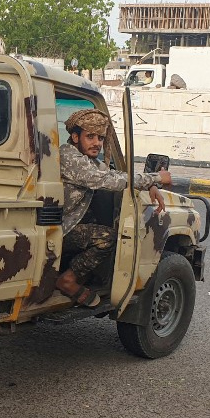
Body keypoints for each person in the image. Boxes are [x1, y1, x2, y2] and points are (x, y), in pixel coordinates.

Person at [57, 109, 171, 306]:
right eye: (90, 136)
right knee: (108, 238)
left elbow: (114, 173)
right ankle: (68, 280)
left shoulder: (86, 159)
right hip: (59, 229)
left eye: (100, 138)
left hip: (65, 223)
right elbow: (107, 180)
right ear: (75, 137)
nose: (97, 143)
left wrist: (150, 185)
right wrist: (156, 177)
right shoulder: (69, 157)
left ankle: (77, 276)